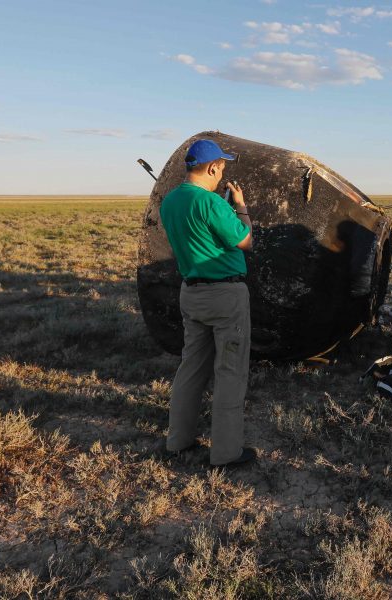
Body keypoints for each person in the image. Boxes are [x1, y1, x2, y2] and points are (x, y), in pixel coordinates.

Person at [159, 139, 255, 468]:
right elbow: (245, 240)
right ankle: (226, 454)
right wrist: (239, 207)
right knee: (230, 372)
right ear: (213, 167)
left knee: (191, 369)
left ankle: (178, 442)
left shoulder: (170, 202)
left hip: (191, 293)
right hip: (224, 297)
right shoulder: (213, 203)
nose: (222, 174)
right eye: (222, 167)